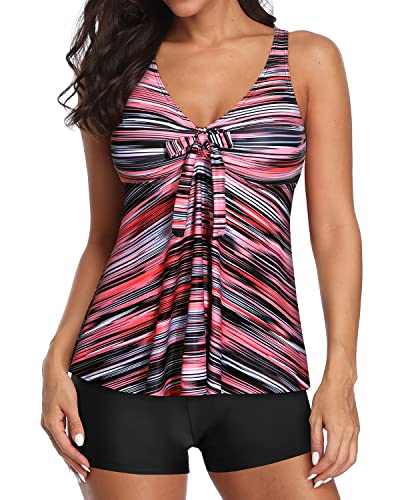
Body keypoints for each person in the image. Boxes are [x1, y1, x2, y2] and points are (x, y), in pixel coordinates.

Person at [41, 1, 361, 498]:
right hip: (119, 371)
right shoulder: (113, 69)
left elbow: (335, 228)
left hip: (262, 363)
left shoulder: (307, 59)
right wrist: (55, 359)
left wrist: (341, 375)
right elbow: (104, 236)